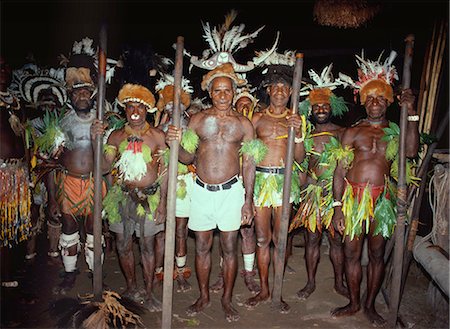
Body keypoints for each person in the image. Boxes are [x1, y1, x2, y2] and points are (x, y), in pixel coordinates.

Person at [330, 51, 419, 326]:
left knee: (378, 254)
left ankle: (370, 305)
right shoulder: (352, 132)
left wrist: (412, 112)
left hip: (382, 200)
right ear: (364, 101)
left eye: (380, 97)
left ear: (388, 101)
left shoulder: (395, 129)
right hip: (353, 199)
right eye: (370, 98)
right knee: (351, 253)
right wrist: (337, 208)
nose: (375, 102)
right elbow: (339, 171)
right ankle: (354, 302)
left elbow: (412, 151)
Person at [166, 63, 256, 322]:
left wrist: (247, 201)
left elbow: (249, 163)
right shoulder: (197, 120)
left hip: (231, 192)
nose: (222, 95)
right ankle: (204, 296)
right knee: (202, 246)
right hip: (202, 191)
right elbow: (185, 158)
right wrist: (176, 141)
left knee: (229, 247)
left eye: (227, 90)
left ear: (234, 91)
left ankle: (226, 299)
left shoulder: (244, 125)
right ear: (210, 93)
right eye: (217, 91)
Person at [92, 82, 168, 311]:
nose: (135, 112)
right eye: (130, 107)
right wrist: (97, 140)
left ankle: (149, 292)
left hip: (150, 199)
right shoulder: (115, 137)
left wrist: (163, 203)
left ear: (148, 110)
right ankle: (132, 287)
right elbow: (104, 168)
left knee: (147, 246)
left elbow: (164, 172)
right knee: (123, 245)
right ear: (124, 109)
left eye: (140, 107)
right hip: (122, 198)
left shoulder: (157, 136)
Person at [244, 51, 304, 314]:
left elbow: (299, 158)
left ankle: (278, 292)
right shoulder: (256, 119)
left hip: (283, 182)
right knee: (261, 239)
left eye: (285, 88)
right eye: (275, 87)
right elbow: (246, 154)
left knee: (281, 240)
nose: (280, 91)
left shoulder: (296, 120)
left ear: (291, 92)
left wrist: (298, 133)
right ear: (268, 91)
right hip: (260, 181)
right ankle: (265, 289)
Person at [46, 42, 108, 294]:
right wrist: (52, 198)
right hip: (69, 183)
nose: (82, 96)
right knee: (70, 229)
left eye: (86, 92)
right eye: (77, 93)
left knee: (94, 231)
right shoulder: (61, 123)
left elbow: (109, 161)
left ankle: (96, 274)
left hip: (94, 182)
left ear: (92, 95)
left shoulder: (103, 120)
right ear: (70, 96)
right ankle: (70, 273)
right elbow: (51, 164)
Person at [288, 64, 351, 300]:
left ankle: (339, 283)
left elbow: (347, 166)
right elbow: (300, 161)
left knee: (336, 241)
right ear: (311, 110)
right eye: (317, 106)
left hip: (336, 195)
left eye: (325, 105)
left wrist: (340, 202)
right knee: (312, 239)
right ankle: (310, 282)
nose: (321, 109)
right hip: (313, 194)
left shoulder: (343, 133)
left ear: (331, 108)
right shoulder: (307, 134)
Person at [209, 85, 261, 295]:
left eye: (248, 106)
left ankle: (249, 274)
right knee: (226, 234)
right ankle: (223, 274)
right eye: (241, 105)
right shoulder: (225, 127)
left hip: (249, 185)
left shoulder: (250, 127)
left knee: (248, 232)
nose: (244, 109)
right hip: (227, 186)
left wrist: (250, 195)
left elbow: (254, 161)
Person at [155, 74, 194, 292]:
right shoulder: (158, 130)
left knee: (180, 229)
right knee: (161, 231)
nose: (173, 108)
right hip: (162, 183)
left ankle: (180, 270)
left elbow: (191, 157)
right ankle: (160, 269)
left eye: (176, 104)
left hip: (184, 182)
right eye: (169, 105)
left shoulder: (190, 127)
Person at [0, 55, 32, 288]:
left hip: (18, 174)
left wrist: (28, 170)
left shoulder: (17, 102)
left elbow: (25, 137)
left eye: (7, 66)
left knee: (14, 225)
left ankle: (10, 271)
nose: (4, 70)